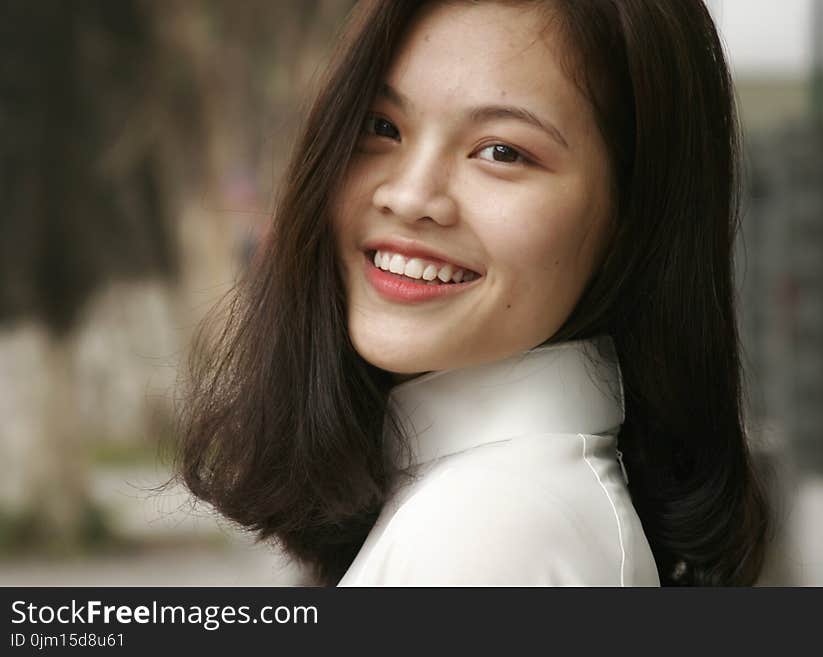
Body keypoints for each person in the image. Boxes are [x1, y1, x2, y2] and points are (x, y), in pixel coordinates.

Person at [175, 0, 770, 586]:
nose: (409, 197)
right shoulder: (487, 501)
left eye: (501, 152)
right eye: (382, 127)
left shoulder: (488, 535)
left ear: (636, 213)